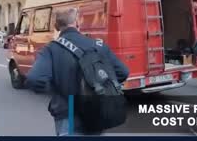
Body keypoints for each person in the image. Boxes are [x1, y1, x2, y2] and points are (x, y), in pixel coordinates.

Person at [25, 8, 129, 136]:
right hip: (96, 110)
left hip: (68, 113)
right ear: (77, 22)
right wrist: (101, 85)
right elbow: (123, 72)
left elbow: (34, 79)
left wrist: (55, 87)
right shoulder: (98, 45)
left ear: (56, 27)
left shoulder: (51, 49)